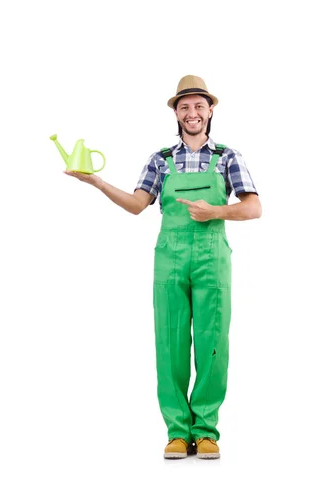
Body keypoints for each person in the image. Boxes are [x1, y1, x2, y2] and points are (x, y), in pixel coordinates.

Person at [66, 75, 261, 459]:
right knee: (169, 344)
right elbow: (139, 204)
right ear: (176, 112)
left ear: (210, 111)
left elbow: (253, 206)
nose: (192, 113)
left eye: (198, 106)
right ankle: (176, 430)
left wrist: (216, 211)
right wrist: (97, 183)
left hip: (212, 258)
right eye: (184, 106)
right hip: (169, 260)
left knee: (212, 343)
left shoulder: (228, 157)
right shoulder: (162, 159)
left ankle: (205, 430)